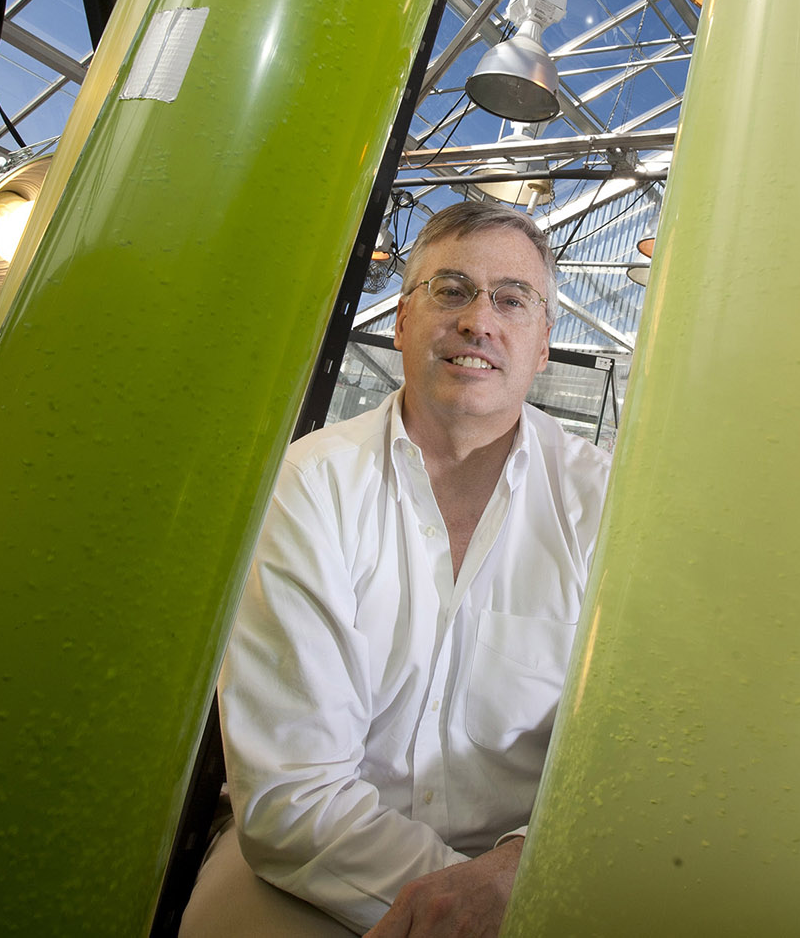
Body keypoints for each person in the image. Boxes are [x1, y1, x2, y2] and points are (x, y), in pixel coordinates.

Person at [180, 202, 612, 937]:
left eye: (512, 298)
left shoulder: (604, 503)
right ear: (401, 322)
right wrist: (465, 904)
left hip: (526, 870)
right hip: (310, 864)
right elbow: (294, 795)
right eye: (450, 290)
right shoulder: (314, 482)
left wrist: (515, 875)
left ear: (543, 344)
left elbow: (628, 755)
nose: (479, 319)